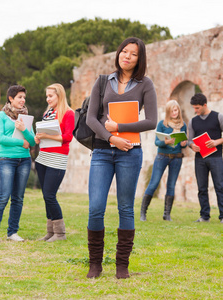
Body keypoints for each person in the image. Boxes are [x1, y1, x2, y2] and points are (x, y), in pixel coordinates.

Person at [85, 37, 157, 279]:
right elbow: (91, 119)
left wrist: (121, 126)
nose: (126, 56)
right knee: (96, 208)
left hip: (131, 152)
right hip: (103, 152)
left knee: (125, 208)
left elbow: (152, 121)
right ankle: (95, 264)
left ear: (140, 58)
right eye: (123, 51)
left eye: (133, 54)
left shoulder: (145, 84)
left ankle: (122, 265)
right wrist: (111, 136)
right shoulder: (103, 82)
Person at [0, 85, 36, 243]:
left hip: (24, 161)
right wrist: (21, 142)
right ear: (11, 98)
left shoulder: (26, 117)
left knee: (18, 198)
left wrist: (24, 129)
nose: (23, 100)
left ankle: (12, 232)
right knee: (3, 196)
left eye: (24, 97)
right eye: (20, 97)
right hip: (6, 160)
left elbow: (33, 141)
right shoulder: (1, 116)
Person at [34, 83, 75, 242]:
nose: (48, 99)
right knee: (46, 196)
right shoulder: (48, 112)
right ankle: (50, 232)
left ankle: (60, 233)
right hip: (43, 156)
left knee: (50, 195)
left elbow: (67, 137)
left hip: (57, 158)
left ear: (59, 95)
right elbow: (43, 134)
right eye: (47, 96)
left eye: (50, 96)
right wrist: (38, 137)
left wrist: (47, 136)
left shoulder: (68, 113)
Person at [188, 93, 223, 224]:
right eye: (194, 108)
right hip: (199, 159)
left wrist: (216, 142)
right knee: (202, 188)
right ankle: (204, 216)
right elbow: (190, 139)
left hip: (216, 158)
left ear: (205, 105)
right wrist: (192, 146)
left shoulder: (219, 117)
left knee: (219, 187)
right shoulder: (193, 121)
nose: (195, 111)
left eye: (197, 108)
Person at [140, 100, 187, 221]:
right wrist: (166, 141)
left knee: (171, 185)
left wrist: (183, 143)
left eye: (175, 110)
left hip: (176, 158)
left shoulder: (183, 125)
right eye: (171, 111)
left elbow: (183, 145)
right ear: (167, 112)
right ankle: (143, 213)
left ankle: (167, 214)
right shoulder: (162, 124)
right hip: (162, 156)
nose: (174, 113)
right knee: (154, 183)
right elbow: (157, 142)